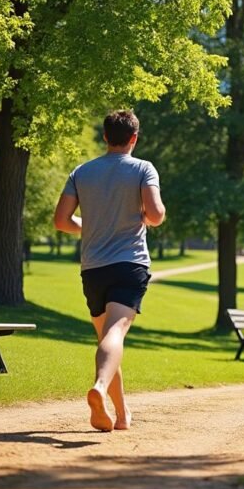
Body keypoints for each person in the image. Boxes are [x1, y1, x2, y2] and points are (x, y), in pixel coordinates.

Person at [53, 110, 166, 431]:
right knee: (114, 336)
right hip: (129, 264)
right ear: (134, 138)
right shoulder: (144, 168)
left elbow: (61, 222)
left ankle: (121, 415)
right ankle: (99, 388)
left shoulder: (82, 172)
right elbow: (156, 215)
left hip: (94, 270)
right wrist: (145, 216)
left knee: (107, 338)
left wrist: (91, 226)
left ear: (105, 137)